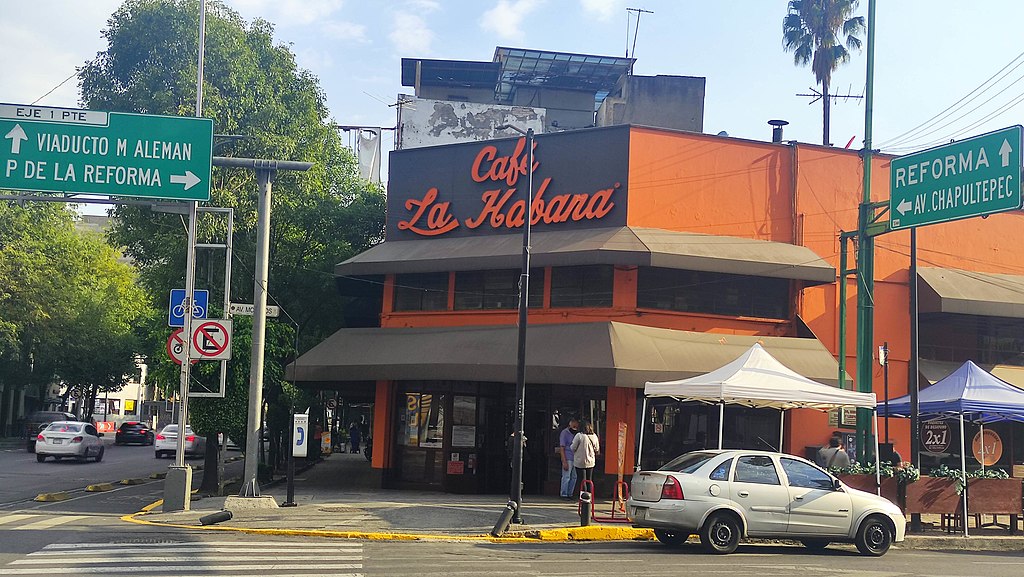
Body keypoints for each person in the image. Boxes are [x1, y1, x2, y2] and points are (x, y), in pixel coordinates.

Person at [570, 421, 600, 491]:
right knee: (589, 479)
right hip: (591, 461)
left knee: (582, 480)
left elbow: (573, 447)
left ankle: (583, 497)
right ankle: (589, 496)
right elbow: (597, 448)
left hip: (580, 461)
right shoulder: (594, 436)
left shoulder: (579, 436)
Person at [557, 417, 579, 500]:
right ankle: (564, 494)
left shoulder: (577, 433)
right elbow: (562, 447)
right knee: (566, 476)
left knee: (574, 477)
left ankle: (570, 493)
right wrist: (564, 461)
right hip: (568, 456)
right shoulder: (564, 433)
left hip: (576, 457)